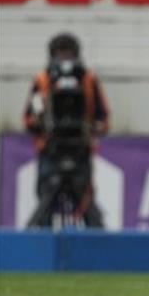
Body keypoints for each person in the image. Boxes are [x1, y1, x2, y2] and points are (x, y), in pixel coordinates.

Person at [24, 32, 109, 229]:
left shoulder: (88, 79)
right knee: (45, 207)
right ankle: (41, 251)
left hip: (80, 151)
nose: (64, 60)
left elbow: (103, 118)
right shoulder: (42, 80)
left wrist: (92, 128)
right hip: (51, 152)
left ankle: (96, 250)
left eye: (68, 54)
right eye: (60, 54)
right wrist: (40, 123)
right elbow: (28, 119)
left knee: (90, 211)